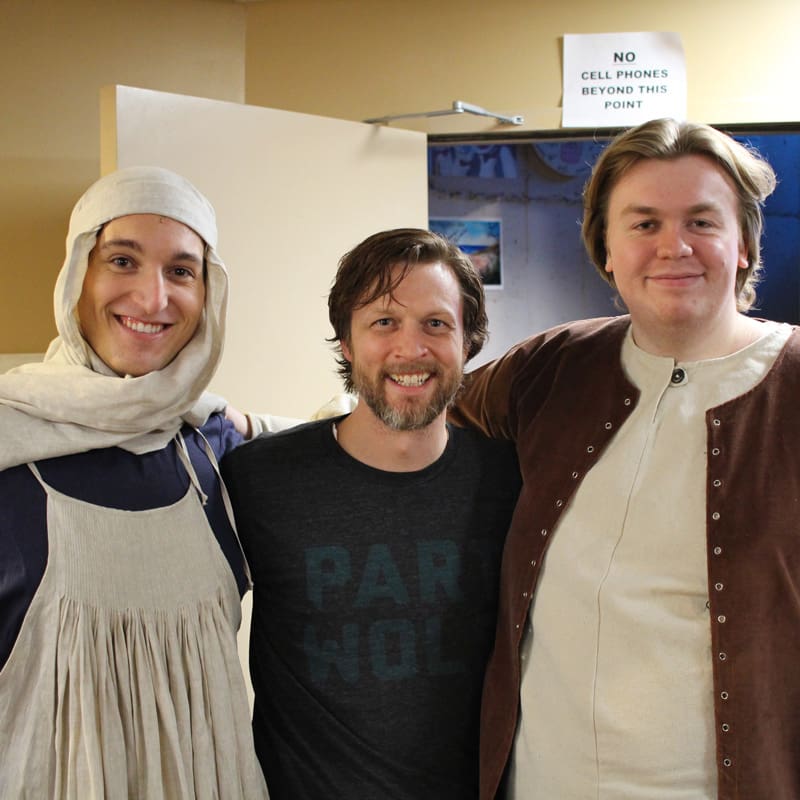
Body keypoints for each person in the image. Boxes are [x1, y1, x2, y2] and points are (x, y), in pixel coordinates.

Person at [450, 118, 798, 800]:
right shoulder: (552, 366)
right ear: (605, 249)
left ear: (745, 245)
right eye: (644, 224)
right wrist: (255, 429)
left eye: (702, 221)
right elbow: (418, 421)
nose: (674, 246)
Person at [221, 228, 521, 800]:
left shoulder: (511, 481)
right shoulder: (258, 479)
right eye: (384, 322)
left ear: (468, 342)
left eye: (436, 324)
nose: (411, 349)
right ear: (346, 343)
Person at [0, 166, 269, 798]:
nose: (153, 299)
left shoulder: (218, 448)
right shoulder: (11, 447)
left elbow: (353, 443)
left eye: (181, 271)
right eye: (122, 261)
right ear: (77, 275)